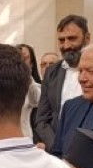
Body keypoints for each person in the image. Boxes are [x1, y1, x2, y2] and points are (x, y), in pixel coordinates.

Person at [35, 15, 90, 149]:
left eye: (72, 38)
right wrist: (56, 146)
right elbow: (42, 119)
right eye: (61, 40)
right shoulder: (52, 72)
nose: (66, 46)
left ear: (87, 38)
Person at [17, 44, 43, 142]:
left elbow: (35, 101)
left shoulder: (34, 86)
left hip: (25, 137)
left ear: (31, 63)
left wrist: (27, 76)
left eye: (24, 58)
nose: (20, 61)